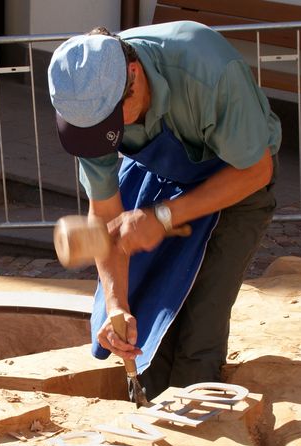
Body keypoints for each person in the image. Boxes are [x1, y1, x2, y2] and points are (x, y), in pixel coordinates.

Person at [48, 20, 281, 399]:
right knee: (147, 308)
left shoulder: (208, 70)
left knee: (200, 320)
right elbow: (105, 219)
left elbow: (256, 170)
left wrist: (164, 216)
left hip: (237, 176)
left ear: (135, 77)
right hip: (162, 171)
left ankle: (198, 427)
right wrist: (116, 306)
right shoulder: (89, 104)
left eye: (110, 123)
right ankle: (150, 409)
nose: (106, 135)